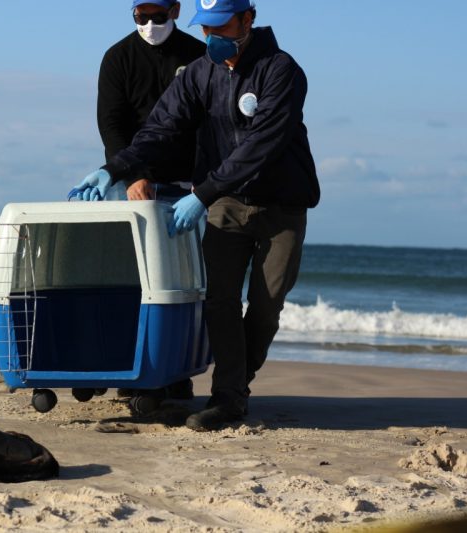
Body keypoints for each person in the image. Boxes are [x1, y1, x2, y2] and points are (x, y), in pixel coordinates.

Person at [73, 0, 320, 431]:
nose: (211, 37)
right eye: (205, 29)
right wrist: (114, 167)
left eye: (221, 27)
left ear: (247, 19)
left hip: (281, 206)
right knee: (219, 301)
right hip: (226, 205)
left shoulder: (282, 70)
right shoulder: (201, 73)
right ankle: (228, 398)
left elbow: (261, 144)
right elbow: (161, 127)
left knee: (266, 306)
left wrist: (201, 194)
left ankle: (235, 385)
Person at [93, 0, 205, 202]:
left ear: (175, 10)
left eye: (158, 17)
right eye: (142, 17)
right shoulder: (117, 58)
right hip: (130, 183)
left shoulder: (199, 55)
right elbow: (110, 124)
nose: (149, 25)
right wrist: (133, 177)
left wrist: (205, 183)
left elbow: (210, 122)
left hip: (189, 184)